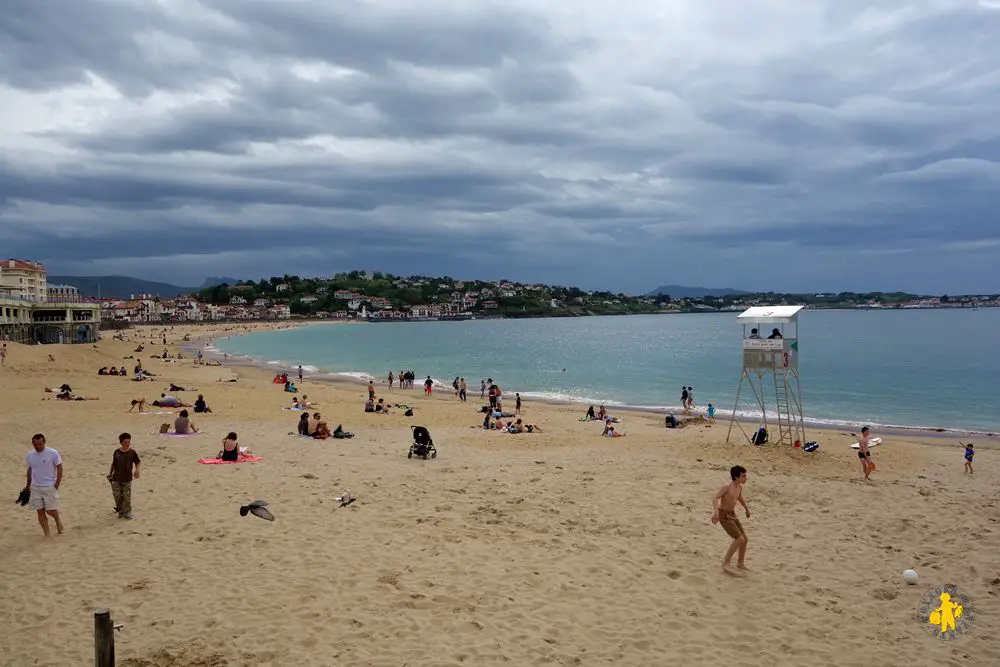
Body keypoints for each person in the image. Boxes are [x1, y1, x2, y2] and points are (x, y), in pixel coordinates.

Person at [711, 465, 750, 574]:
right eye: (743, 476)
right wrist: (716, 512)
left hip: (732, 515)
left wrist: (746, 509)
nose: (745, 478)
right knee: (739, 539)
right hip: (724, 516)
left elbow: (739, 498)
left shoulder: (739, 487)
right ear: (736, 477)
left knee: (745, 539)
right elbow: (715, 497)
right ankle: (726, 563)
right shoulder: (727, 487)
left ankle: (740, 563)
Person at [24, 434, 64, 536]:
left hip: (49, 486)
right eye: (35, 444)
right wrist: (28, 485)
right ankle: (47, 534)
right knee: (40, 511)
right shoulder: (30, 455)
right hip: (35, 486)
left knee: (50, 511)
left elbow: (59, 467)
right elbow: (30, 470)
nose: (38, 446)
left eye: (40, 444)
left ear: (44, 442)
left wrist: (56, 484)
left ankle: (57, 520)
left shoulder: (53, 453)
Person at [108, 432, 141, 520]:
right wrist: (110, 473)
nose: (127, 444)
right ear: (121, 442)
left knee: (126, 497)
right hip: (116, 478)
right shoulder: (116, 452)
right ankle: (121, 510)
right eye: (125, 442)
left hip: (127, 478)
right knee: (117, 496)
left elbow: (138, 462)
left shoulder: (132, 452)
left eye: (128, 442)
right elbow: (114, 464)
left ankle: (127, 512)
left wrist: (137, 470)